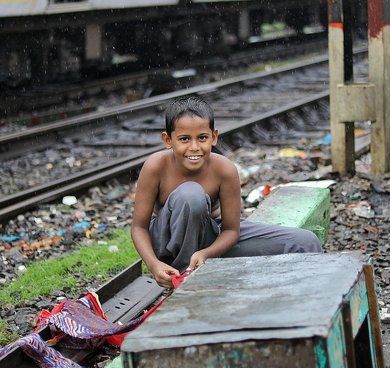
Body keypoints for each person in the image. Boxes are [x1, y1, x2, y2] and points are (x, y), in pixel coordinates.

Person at [130, 97, 323, 287]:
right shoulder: (156, 166)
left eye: (202, 138)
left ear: (214, 137)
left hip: (209, 238)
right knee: (191, 195)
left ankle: (317, 303)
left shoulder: (224, 169)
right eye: (184, 139)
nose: (194, 147)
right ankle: (183, 278)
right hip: (168, 245)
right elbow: (139, 227)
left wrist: (207, 253)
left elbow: (231, 230)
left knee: (305, 242)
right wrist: (154, 264)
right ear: (168, 140)